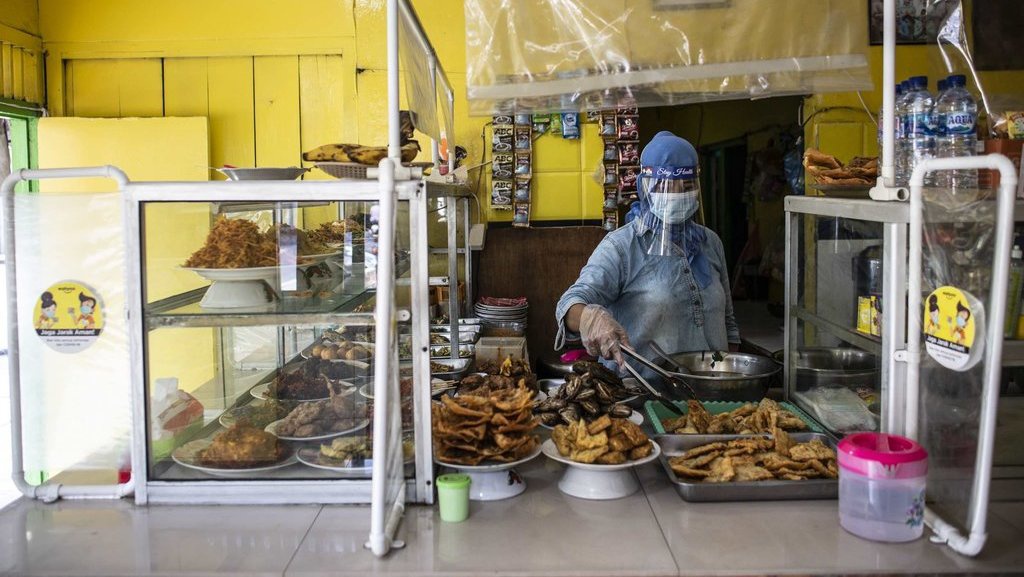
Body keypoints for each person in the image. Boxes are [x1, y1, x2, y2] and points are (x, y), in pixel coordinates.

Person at [554, 131, 740, 378]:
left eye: (686, 186)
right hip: (643, 391)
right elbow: (570, 303)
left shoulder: (711, 243)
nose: (676, 194)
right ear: (645, 186)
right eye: (665, 187)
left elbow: (728, 323)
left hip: (709, 391)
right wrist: (591, 318)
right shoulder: (622, 246)